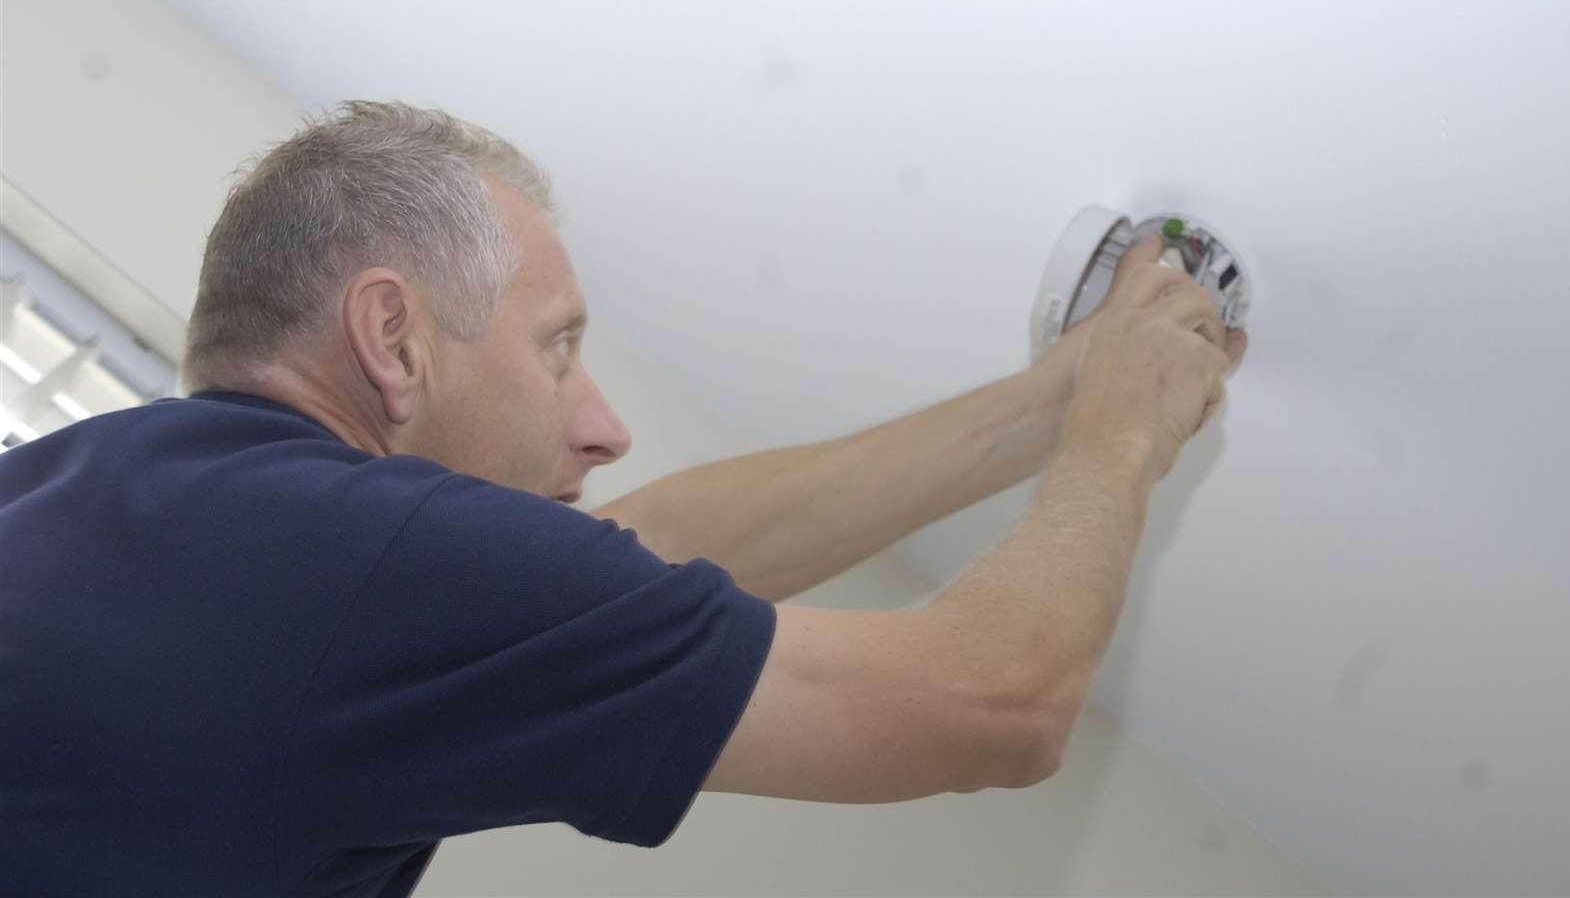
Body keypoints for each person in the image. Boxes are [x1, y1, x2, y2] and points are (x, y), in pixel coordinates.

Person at [0, 100, 1246, 897]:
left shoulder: (97, 500)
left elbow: (643, 550)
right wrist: (1121, 437)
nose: (603, 426)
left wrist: (1055, 404)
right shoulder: (371, 563)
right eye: (555, 349)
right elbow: (992, 703)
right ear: (394, 338)